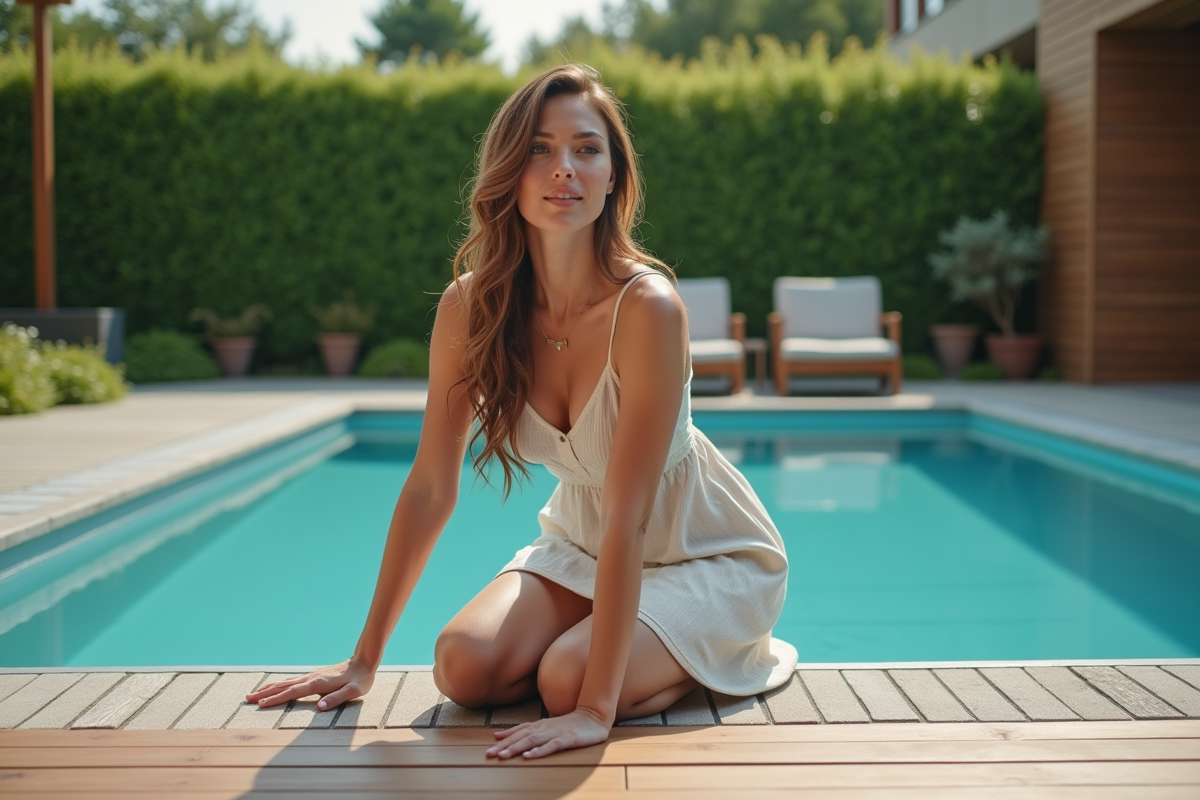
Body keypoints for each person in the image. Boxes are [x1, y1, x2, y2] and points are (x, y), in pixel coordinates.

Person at [247, 63, 796, 760]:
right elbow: (429, 486)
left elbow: (630, 514)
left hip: (703, 554)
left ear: (613, 177)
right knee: (462, 666)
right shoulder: (471, 307)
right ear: (509, 170)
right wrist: (364, 662)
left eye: (586, 149)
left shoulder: (648, 308)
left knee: (566, 681)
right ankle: (618, 647)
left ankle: (686, 653)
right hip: (582, 549)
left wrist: (597, 710)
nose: (564, 167)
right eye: (539, 148)